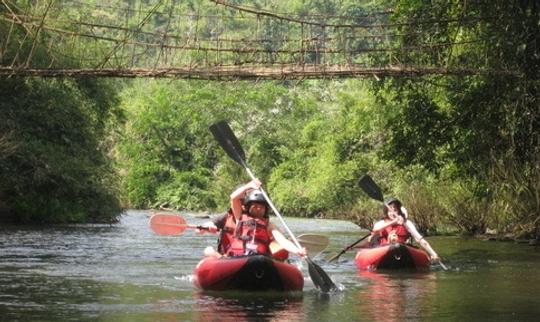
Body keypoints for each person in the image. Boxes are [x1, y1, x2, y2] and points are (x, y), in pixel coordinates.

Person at [199, 178, 305, 259]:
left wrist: (297, 250)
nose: (259, 209)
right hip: (235, 258)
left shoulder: (269, 225)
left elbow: (282, 240)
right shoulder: (239, 217)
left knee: (279, 248)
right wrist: (249, 185)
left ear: (266, 209)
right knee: (208, 250)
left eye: (262, 206)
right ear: (248, 207)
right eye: (255, 206)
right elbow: (233, 198)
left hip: (259, 257)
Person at [370, 197, 440, 261]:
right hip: (383, 248)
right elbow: (375, 231)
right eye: (390, 211)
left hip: (402, 249)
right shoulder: (381, 223)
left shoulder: (406, 223)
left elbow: (420, 240)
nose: (393, 213)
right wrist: (393, 222)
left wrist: (433, 253)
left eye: (395, 210)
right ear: (386, 212)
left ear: (399, 211)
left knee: (402, 247)